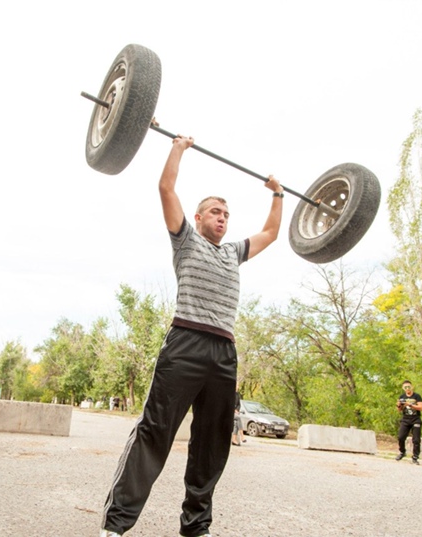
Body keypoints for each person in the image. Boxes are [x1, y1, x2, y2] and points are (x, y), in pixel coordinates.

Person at [100, 133, 283, 537]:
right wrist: (178, 148)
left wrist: (277, 195)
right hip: (185, 344)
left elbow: (270, 234)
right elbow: (166, 187)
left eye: (226, 214)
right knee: (155, 432)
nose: (222, 218)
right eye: (215, 212)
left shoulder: (233, 252)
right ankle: (115, 526)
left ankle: (196, 527)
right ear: (198, 218)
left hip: (223, 352)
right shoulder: (185, 240)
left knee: (211, 446)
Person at [395, 380, 422, 464]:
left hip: (415, 419)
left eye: (408, 387)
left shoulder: (417, 396)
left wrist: (410, 405)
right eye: (405, 387)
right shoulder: (402, 396)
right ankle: (402, 452)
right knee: (401, 437)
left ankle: (415, 457)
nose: (407, 389)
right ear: (403, 388)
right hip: (405, 419)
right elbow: (399, 410)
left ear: (412, 387)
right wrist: (399, 405)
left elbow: (421, 407)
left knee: (416, 439)